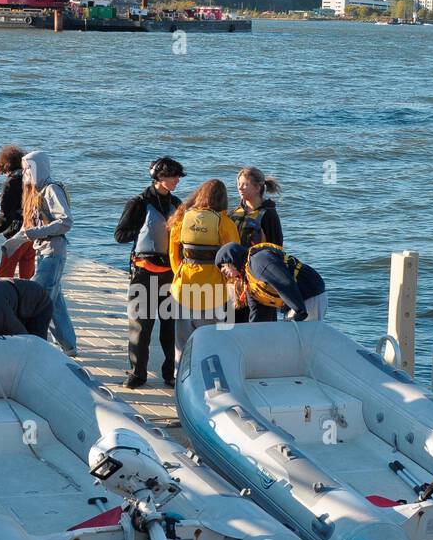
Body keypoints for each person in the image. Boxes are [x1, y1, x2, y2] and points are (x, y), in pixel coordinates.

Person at [114, 156, 184, 388]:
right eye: (173, 176)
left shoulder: (177, 204)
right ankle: (137, 373)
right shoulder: (138, 203)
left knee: (170, 327)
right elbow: (119, 235)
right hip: (143, 273)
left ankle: (170, 374)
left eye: (178, 176)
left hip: (170, 274)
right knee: (141, 327)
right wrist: (143, 230)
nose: (177, 180)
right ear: (159, 176)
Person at [0, 150, 78, 355]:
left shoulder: (51, 190)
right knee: (55, 301)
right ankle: (69, 346)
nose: (24, 173)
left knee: (40, 301)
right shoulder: (35, 192)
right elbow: (28, 228)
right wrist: (13, 242)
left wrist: (35, 232)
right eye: (24, 169)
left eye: (27, 169)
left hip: (53, 252)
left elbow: (65, 221)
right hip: (43, 250)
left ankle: (36, 345)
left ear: (37, 168)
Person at [168, 179, 240, 367]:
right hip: (212, 289)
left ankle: (180, 376)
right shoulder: (224, 222)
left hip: (184, 286)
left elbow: (173, 253)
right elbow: (233, 255)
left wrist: (180, 273)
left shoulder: (182, 218)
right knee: (210, 340)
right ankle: (208, 377)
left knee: (182, 342)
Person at [215, 242, 328, 323]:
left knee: (304, 341)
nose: (224, 272)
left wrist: (299, 311)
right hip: (297, 302)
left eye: (224, 267)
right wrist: (252, 335)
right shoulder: (249, 282)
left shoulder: (259, 261)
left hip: (310, 293)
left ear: (231, 260)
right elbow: (257, 312)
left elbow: (284, 282)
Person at [0, 144, 33, 279]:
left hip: (15, 235)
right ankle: (26, 299)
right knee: (27, 277)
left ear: (5, 165)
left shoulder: (10, 184)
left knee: (5, 276)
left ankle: (6, 298)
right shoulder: (31, 180)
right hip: (32, 231)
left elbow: (5, 217)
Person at [230, 166, 284, 248]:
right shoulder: (234, 213)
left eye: (245, 185)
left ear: (257, 188)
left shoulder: (269, 215)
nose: (240, 188)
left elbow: (276, 246)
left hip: (257, 258)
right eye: (239, 184)